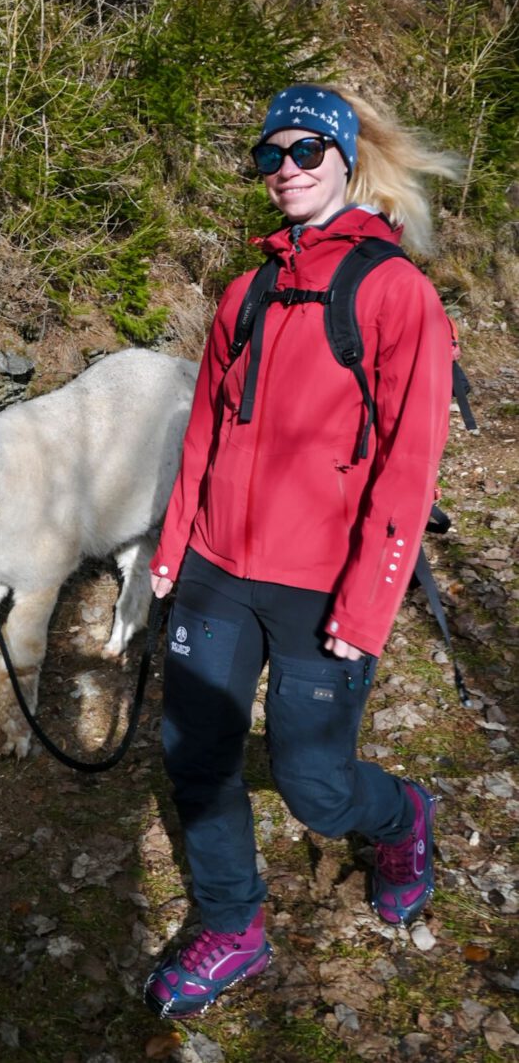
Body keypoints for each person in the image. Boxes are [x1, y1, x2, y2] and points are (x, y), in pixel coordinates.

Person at [143, 83, 462, 1019]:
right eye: (268, 155)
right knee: (195, 755)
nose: (283, 170)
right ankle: (232, 926)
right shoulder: (245, 292)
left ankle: (401, 816)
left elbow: (408, 466)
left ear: (346, 161)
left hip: (320, 585)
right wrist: (172, 548)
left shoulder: (395, 292)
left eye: (304, 152)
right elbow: (203, 433)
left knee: (315, 789)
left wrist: (366, 607)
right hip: (215, 568)